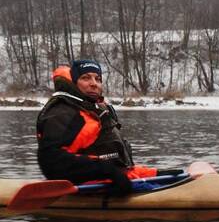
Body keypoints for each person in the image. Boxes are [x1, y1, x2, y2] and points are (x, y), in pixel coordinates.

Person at [36, 59, 157, 195]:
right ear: (74, 82)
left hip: (111, 178)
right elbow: (50, 160)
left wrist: (156, 173)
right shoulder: (62, 113)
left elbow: (117, 165)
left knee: (163, 174)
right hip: (86, 185)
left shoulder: (97, 109)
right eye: (85, 78)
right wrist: (108, 171)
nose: (94, 84)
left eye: (98, 79)